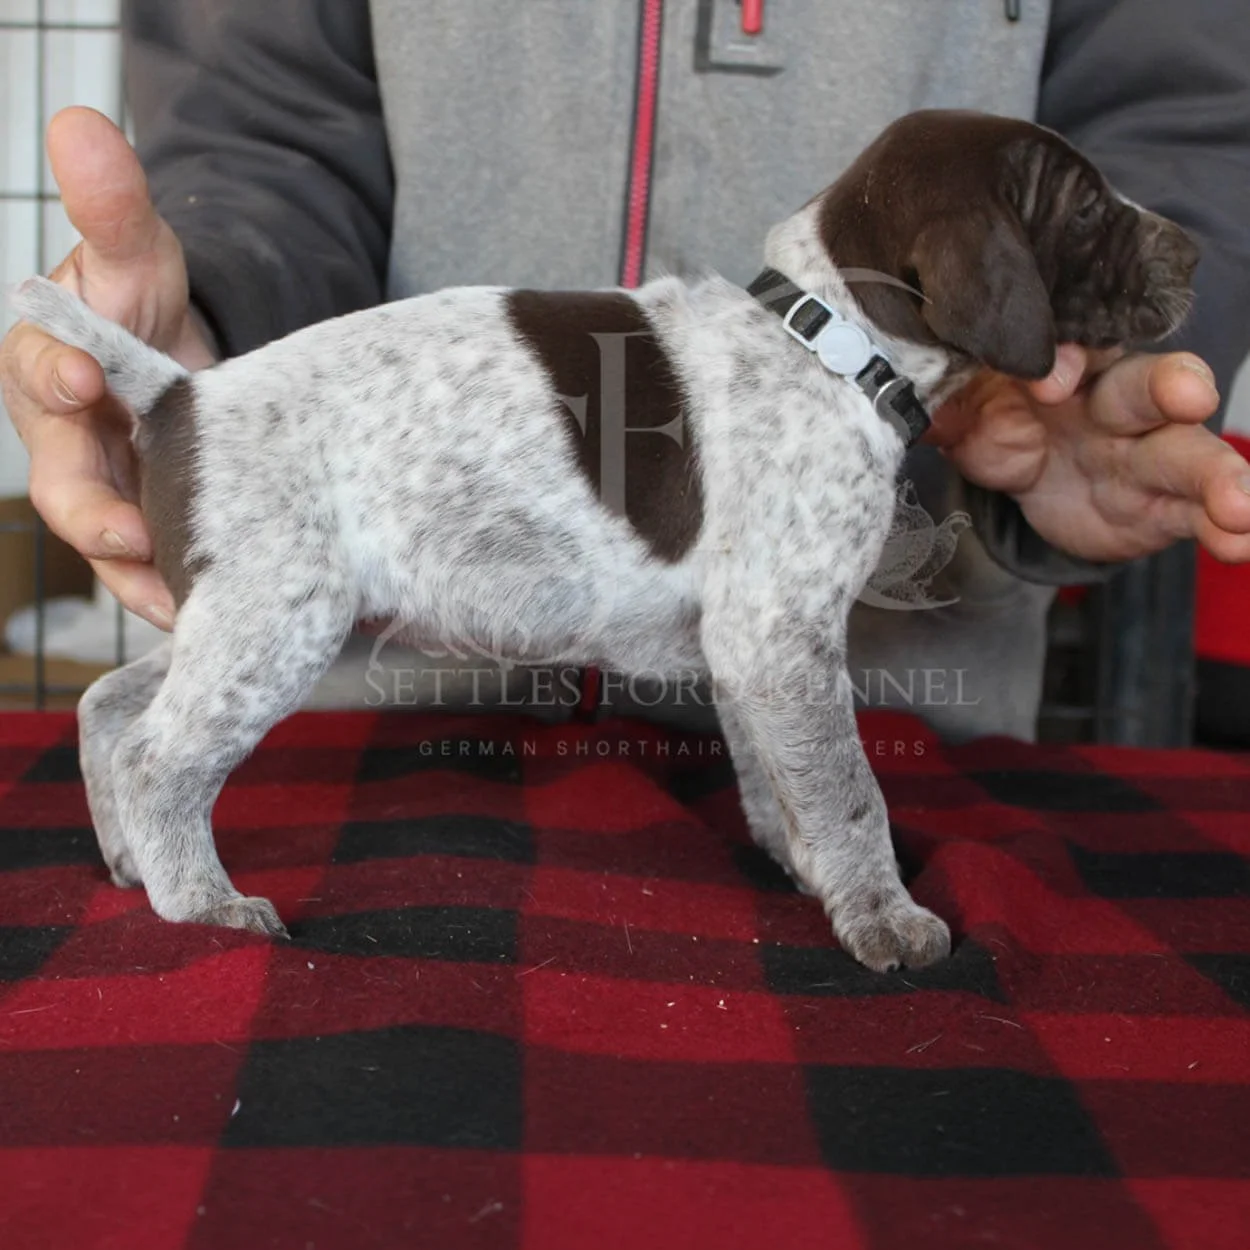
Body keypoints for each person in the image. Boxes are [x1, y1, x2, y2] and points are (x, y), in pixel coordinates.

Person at [2, 0, 1249, 741]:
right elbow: (266, 114)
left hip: (903, 720)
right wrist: (220, 324)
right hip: (371, 734)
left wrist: (1088, 358)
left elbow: (1186, 107)